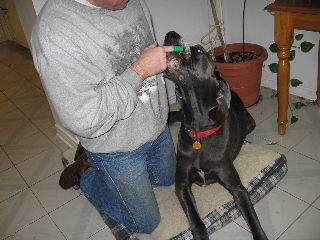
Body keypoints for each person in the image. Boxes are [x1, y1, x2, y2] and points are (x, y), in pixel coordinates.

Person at [30, 0, 176, 234]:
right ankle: (86, 172)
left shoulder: (127, 2)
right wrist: (139, 71)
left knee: (166, 181)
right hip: (114, 146)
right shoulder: (54, 33)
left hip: (155, 126)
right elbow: (85, 117)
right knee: (146, 223)